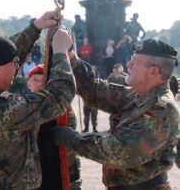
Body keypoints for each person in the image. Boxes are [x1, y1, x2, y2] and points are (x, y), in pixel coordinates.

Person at [0, 12, 76, 190]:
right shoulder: (3, 111)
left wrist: (34, 28)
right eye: (15, 63)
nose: (17, 68)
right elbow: (60, 95)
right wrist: (60, 52)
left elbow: (0, 55)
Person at [53, 38, 180, 189]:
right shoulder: (137, 95)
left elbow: (121, 152)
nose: (129, 64)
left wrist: (73, 139)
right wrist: (71, 57)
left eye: (135, 61)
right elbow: (94, 91)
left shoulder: (162, 108)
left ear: (153, 71)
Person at [27, 64, 82, 190]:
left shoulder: (63, 109)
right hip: (32, 174)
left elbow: (69, 126)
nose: (40, 84)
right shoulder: (20, 107)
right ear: (28, 84)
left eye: (43, 81)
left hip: (61, 170)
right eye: (35, 80)